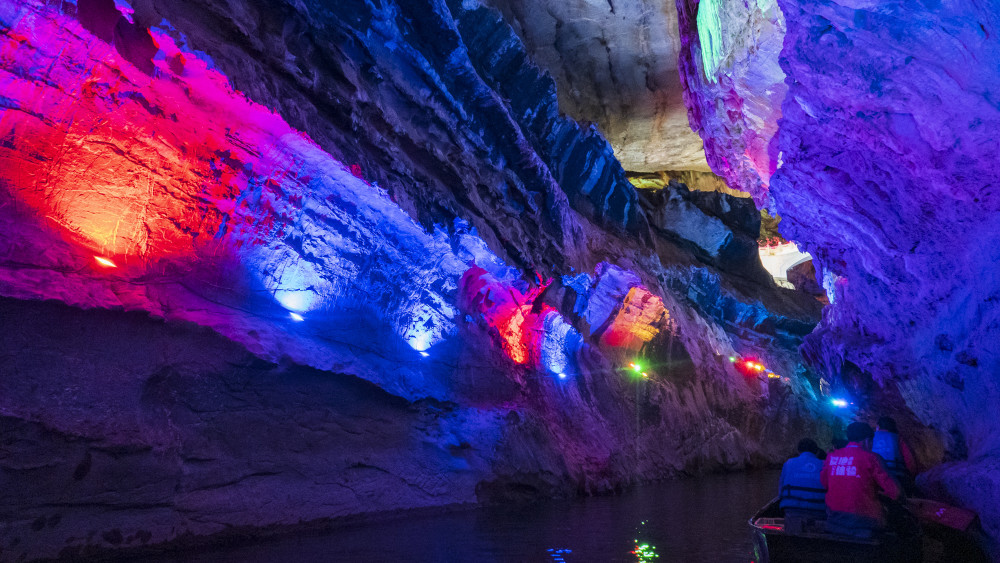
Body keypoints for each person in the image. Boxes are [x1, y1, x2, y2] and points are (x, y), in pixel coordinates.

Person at [822, 421, 900, 538]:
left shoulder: (831, 457)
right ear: (867, 440)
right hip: (866, 522)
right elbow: (895, 492)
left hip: (834, 519)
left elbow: (824, 483)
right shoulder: (871, 458)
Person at [778, 438, 827, 533]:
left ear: (798, 451)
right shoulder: (824, 464)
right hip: (819, 512)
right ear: (816, 452)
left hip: (792, 512)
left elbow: (780, 492)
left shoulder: (789, 463)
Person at [872, 416, 917, 492]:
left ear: (878, 426)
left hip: (877, 477)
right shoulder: (897, 438)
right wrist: (912, 474)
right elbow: (909, 460)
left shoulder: (870, 439)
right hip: (897, 476)